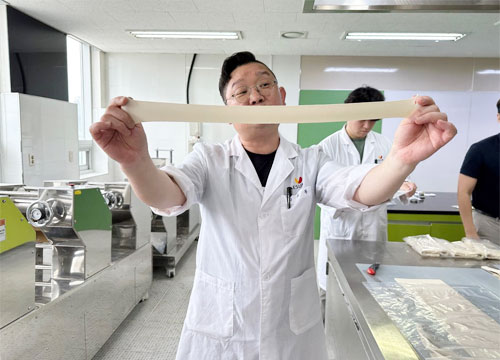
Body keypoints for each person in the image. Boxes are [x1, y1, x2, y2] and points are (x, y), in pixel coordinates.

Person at [90, 51, 456, 360]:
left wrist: (401, 160)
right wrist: (136, 162)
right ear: (227, 109)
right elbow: (168, 197)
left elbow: (360, 189)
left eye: (265, 86)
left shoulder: (309, 162)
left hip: (290, 325)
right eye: (242, 91)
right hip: (222, 324)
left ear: (281, 96)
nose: (256, 97)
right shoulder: (209, 159)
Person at [315, 86, 417, 304]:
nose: (367, 126)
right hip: (341, 226)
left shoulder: (384, 144)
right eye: (362, 119)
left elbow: (390, 182)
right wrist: (356, 201)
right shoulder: (327, 146)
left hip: (372, 228)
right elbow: (321, 192)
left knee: (369, 293)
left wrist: (402, 188)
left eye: (373, 120)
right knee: (334, 294)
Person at [458, 99, 500, 245]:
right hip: (490, 226)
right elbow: (463, 191)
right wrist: (470, 233)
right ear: (498, 117)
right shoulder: (480, 150)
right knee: (486, 268)